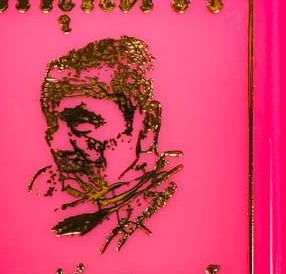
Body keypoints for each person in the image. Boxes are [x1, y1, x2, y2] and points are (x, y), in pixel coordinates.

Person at [28, 36, 183, 252]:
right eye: (52, 124)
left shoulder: (183, 210)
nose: (58, 146)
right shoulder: (45, 188)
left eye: (82, 124)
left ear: (147, 124)